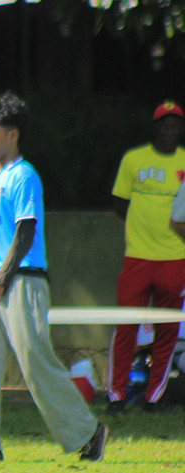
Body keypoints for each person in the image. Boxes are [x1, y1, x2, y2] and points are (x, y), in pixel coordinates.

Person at [0, 93, 108, 462]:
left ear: (13, 133)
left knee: (35, 363)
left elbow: (25, 233)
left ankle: (88, 433)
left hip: (19, 279)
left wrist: (2, 278)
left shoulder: (24, 176)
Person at [107, 100, 185, 414]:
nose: (169, 130)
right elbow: (118, 204)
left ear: (180, 129)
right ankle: (116, 395)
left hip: (176, 257)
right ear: (155, 128)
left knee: (167, 329)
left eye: (175, 125)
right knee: (125, 326)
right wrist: (142, 228)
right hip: (137, 256)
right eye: (164, 125)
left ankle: (155, 397)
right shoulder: (133, 159)